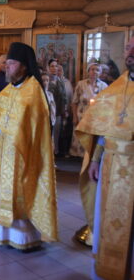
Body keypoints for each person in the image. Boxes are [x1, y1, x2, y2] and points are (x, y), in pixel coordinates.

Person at [0, 42, 58, 250]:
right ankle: (0, 229)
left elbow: (37, 129)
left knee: (19, 191)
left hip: (23, 154)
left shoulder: (33, 92)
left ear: (23, 66)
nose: (7, 67)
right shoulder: (11, 89)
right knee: (2, 188)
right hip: (5, 150)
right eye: (7, 63)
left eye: (11, 63)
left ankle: (23, 236)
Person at [75, 37, 134, 280]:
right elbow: (100, 130)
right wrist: (96, 160)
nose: (130, 51)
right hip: (110, 165)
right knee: (108, 218)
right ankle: (105, 270)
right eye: (129, 46)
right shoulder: (112, 91)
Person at [70, 63, 108, 158]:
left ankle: (91, 156)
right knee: (80, 137)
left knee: (93, 138)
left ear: (100, 73)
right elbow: (74, 102)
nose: (94, 72)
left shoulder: (104, 86)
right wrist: (74, 117)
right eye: (92, 69)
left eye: (97, 70)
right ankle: (79, 157)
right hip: (81, 116)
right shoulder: (81, 84)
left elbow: (107, 104)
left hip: (96, 118)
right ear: (88, 71)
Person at [48, 58, 68, 155]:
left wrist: (65, 109)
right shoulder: (46, 79)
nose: (54, 68)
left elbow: (64, 96)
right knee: (48, 134)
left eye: (56, 66)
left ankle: (54, 154)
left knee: (56, 134)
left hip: (58, 111)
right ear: (48, 68)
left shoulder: (60, 80)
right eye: (52, 66)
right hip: (48, 112)